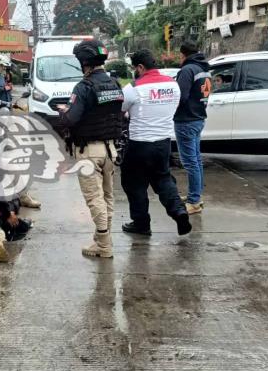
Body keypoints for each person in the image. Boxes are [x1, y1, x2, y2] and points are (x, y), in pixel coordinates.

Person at [58, 39, 124, 258]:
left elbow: (71, 119)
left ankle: (104, 246)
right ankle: (101, 240)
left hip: (89, 152)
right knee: (107, 197)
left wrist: (64, 111)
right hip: (110, 150)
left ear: (83, 62)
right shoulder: (115, 84)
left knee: (94, 199)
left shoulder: (84, 87)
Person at [120, 50, 191, 237]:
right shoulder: (173, 85)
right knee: (163, 179)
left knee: (134, 184)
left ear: (140, 67)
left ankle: (141, 224)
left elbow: (121, 110)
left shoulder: (133, 88)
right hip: (163, 143)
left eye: (135, 68)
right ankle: (179, 211)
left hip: (139, 144)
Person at [174, 40, 212, 215]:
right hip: (198, 118)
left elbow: (179, 97)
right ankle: (195, 196)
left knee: (190, 163)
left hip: (186, 120)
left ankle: (194, 201)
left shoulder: (187, 70)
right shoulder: (204, 70)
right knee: (196, 160)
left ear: (183, 54)